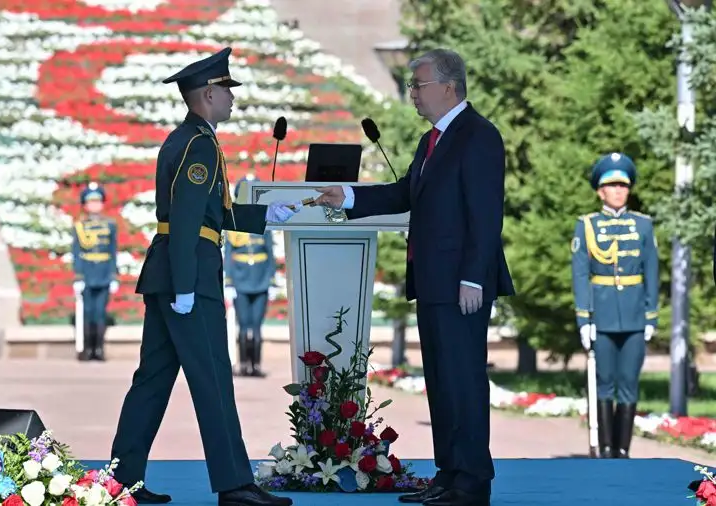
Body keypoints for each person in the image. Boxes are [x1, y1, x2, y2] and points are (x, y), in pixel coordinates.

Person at [315, 48, 514, 506]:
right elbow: (406, 192)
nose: (413, 95)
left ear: (449, 86)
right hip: (433, 280)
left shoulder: (479, 135)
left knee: (463, 381)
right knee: (442, 382)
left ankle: (473, 480)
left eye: (418, 86)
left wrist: (473, 278)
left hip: (461, 284)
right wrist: (348, 196)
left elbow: (486, 215)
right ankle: (449, 473)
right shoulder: (432, 140)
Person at [109, 47, 300, 506]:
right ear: (209, 94)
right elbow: (188, 217)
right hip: (189, 274)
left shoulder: (190, 139)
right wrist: (185, 287)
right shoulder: (198, 144)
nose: (233, 98)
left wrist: (264, 214)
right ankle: (235, 484)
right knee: (213, 377)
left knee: (153, 380)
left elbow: (215, 212)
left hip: (173, 270)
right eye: (227, 90)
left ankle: (120, 481)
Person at [571, 152, 659, 459]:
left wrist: (651, 315)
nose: (619, 191)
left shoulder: (643, 225)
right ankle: (606, 450)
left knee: (629, 384)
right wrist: (584, 318)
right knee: (604, 384)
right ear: (600, 191)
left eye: (623, 185)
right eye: (613, 186)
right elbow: (581, 274)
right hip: (603, 316)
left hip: (634, 317)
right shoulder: (587, 225)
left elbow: (652, 271)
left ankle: (623, 451)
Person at [224, 175, 277, 377]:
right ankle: (244, 364)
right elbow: (228, 253)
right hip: (240, 279)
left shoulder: (263, 220)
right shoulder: (233, 222)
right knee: (243, 325)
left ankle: (256, 365)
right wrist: (229, 281)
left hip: (261, 279)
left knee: (256, 327)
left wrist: (271, 280)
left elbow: (270, 251)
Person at [71, 182, 119, 361]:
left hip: (104, 274)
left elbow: (113, 251)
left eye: (97, 201)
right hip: (87, 274)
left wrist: (113, 276)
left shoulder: (110, 225)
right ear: (85, 204)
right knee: (87, 312)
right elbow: (77, 252)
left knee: (100, 312)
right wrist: (78, 276)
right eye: (90, 202)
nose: (94, 205)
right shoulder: (79, 226)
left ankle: (99, 349)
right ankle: (87, 348)